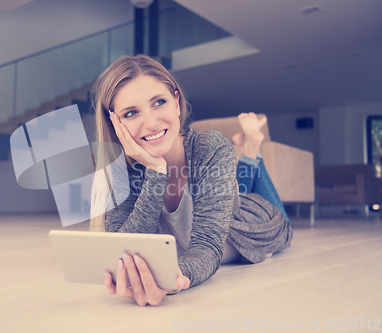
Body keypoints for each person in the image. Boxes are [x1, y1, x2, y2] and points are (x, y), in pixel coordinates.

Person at [89, 54, 292, 307]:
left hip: (256, 223)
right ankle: (250, 149)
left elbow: (206, 246)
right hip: (224, 198)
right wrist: (155, 172)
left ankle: (253, 148)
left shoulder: (210, 146)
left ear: (176, 102)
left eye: (158, 102)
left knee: (277, 218)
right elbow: (122, 250)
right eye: (131, 113)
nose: (150, 123)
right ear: (114, 123)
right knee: (231, 189)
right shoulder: (121, 170)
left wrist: (171, 279)